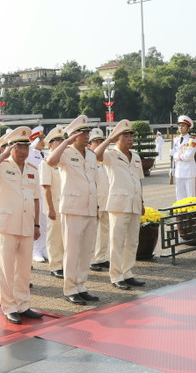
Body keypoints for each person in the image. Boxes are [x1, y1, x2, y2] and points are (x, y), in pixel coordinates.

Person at [0, 126, 44, 323]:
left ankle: (23, 304)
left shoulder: (33, 169)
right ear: (10, 148)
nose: (23, 151)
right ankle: (9, 306)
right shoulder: (1, 166)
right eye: (18, 147)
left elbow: (35, 199)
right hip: (7, 224)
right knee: (6, 268)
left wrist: (36, 225)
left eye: (26, 147)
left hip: (26, 224)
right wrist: (4, 155)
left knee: (24, 268)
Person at [46, 116, 100, 306]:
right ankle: (70, 288)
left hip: (90, 208)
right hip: (72, 209)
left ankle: (81, 285)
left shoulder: (92, 155)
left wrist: (98, 207)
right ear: (73, 135)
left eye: (87, 133)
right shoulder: (65, 153)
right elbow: (51, 162)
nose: (86, 136)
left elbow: (94, 182)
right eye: (82, 133)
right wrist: (66, 142)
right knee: (72, 250)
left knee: (86, 250)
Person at [97, 120, 147, 290]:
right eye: (125, 136)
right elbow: (96, 155)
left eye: (131, 136)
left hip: (134, 203)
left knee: (132, 241)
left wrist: (142, 202)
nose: (129, 139)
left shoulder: (136, 157)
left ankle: (127, 272)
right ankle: (116, 275)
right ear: (117, 139)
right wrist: (109, 140)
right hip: (118, 204)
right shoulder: (111, 155)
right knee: (117, 241)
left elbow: (138, 181)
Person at [40, 127, 66, 278]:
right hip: (54, 205)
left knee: (65, 237)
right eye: (58, 141)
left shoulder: (64, 160)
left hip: (67, 204)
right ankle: (55, 265)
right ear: (50, 145)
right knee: (55, 237)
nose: (61, 143)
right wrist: (50, 208)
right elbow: (46, 187)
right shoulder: (46, 163)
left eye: (63, 141)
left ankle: (64, 263)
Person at [87, 128, 110, 273]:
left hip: (106, 200)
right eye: (95, 142)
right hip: (94, 202)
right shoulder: (88, 160)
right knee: (93, 232)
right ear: (89, 145)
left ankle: (101, 257)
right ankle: (91, 259)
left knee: (104, 231)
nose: (99, 144)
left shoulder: (105, 159)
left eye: (101, 141)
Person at [27, 126, 49, 263]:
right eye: (40, 139)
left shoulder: (45, 155)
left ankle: (44, 248)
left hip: (44, 192)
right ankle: (35, 250)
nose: (43, 142)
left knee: (45, 222)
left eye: (43, 139)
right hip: (35, 192)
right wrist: (32, 143)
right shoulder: (30, 153)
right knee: (36, 222)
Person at [172, 116, 196, 201]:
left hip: (189, 172)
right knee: (179, 196)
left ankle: (191, 213)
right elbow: (174, 158)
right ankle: (181, 213)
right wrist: (172, 169)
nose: (180, 127)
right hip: (178, 172)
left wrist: (175, 155)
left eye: (183, 125)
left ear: (188, 128)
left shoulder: (193, 140)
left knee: (191, 196)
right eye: (179, 125)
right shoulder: (175, 139)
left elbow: (188, 156)